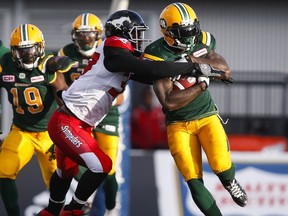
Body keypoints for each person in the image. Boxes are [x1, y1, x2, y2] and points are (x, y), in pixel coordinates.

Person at [36, 9, 222, 216]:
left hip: (78, 123)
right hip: (69, 122)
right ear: (121, 32)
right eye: (136, 31)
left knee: (65, 172)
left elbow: (151, 75)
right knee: (102, 165)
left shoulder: (123, 56)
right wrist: (189, 66)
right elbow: (150, 69)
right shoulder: (113, 46)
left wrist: (191, 76)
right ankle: (73, 209)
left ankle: (51, 211)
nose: (139, 37)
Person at [143, 2, 247, 216]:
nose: (191, 36)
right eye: (184, 32)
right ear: (169, 32)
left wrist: (195, 61)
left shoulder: (202, 41)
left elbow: (225, 70)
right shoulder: (156, 54)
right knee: (192, 178)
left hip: (207, 116)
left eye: (193, 30)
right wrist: (202, 83)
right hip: (178, 124)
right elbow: (169, 102)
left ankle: (230, 182)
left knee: (222, 167)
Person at [0, 24, 75, 216]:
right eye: (22, 51)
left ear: (40, 48)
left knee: (57, 185)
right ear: (14, 51)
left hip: (49, 133)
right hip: (21, 131)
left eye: (31, 50)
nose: (28, 55)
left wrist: (70, 115)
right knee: (3, 171)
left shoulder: (47, 64)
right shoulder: (5, 61)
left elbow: (61, 91)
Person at [58, 12, 123, 214]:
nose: (86, 40)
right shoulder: (66, 52)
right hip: (78, 116)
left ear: (99, 35)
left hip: (105, 113)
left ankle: (112, 208)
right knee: (80, 160)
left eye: (89, 35)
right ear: (74, 36)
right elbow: (58, 77)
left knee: (109, 167)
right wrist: (63, 96)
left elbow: (120, 96)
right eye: (81, 35)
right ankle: (83, 200)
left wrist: (95, 102)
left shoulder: (109, 49)